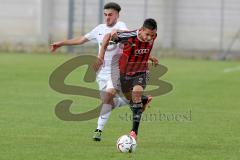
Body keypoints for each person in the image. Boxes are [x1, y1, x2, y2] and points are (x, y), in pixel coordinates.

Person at [50, 2, 129, 141]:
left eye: (110, 15)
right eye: (105, 15)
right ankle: (132, 101)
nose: (107, 17)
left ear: (117, 15)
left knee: (108, 97)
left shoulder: (121, 26)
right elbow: (81, 39)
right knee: (108, 102)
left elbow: (126, 33)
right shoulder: (99, 29)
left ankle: (98, 131)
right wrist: (61, 43)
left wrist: (116, 33)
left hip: (117, 70)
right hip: (102, 72)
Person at [97, 18, 158, 140]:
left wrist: (150, 57)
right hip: (123, 73)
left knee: (136, 95)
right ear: (140, 30)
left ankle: (133, 132)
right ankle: (143, 100)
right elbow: (111, 36)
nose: (149, 38)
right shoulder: (129, 36)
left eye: (152, 35)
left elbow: (141, 49)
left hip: (141, 73)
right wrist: (101, 56)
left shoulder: (153, 35)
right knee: (121, 98)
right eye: (147, 34)